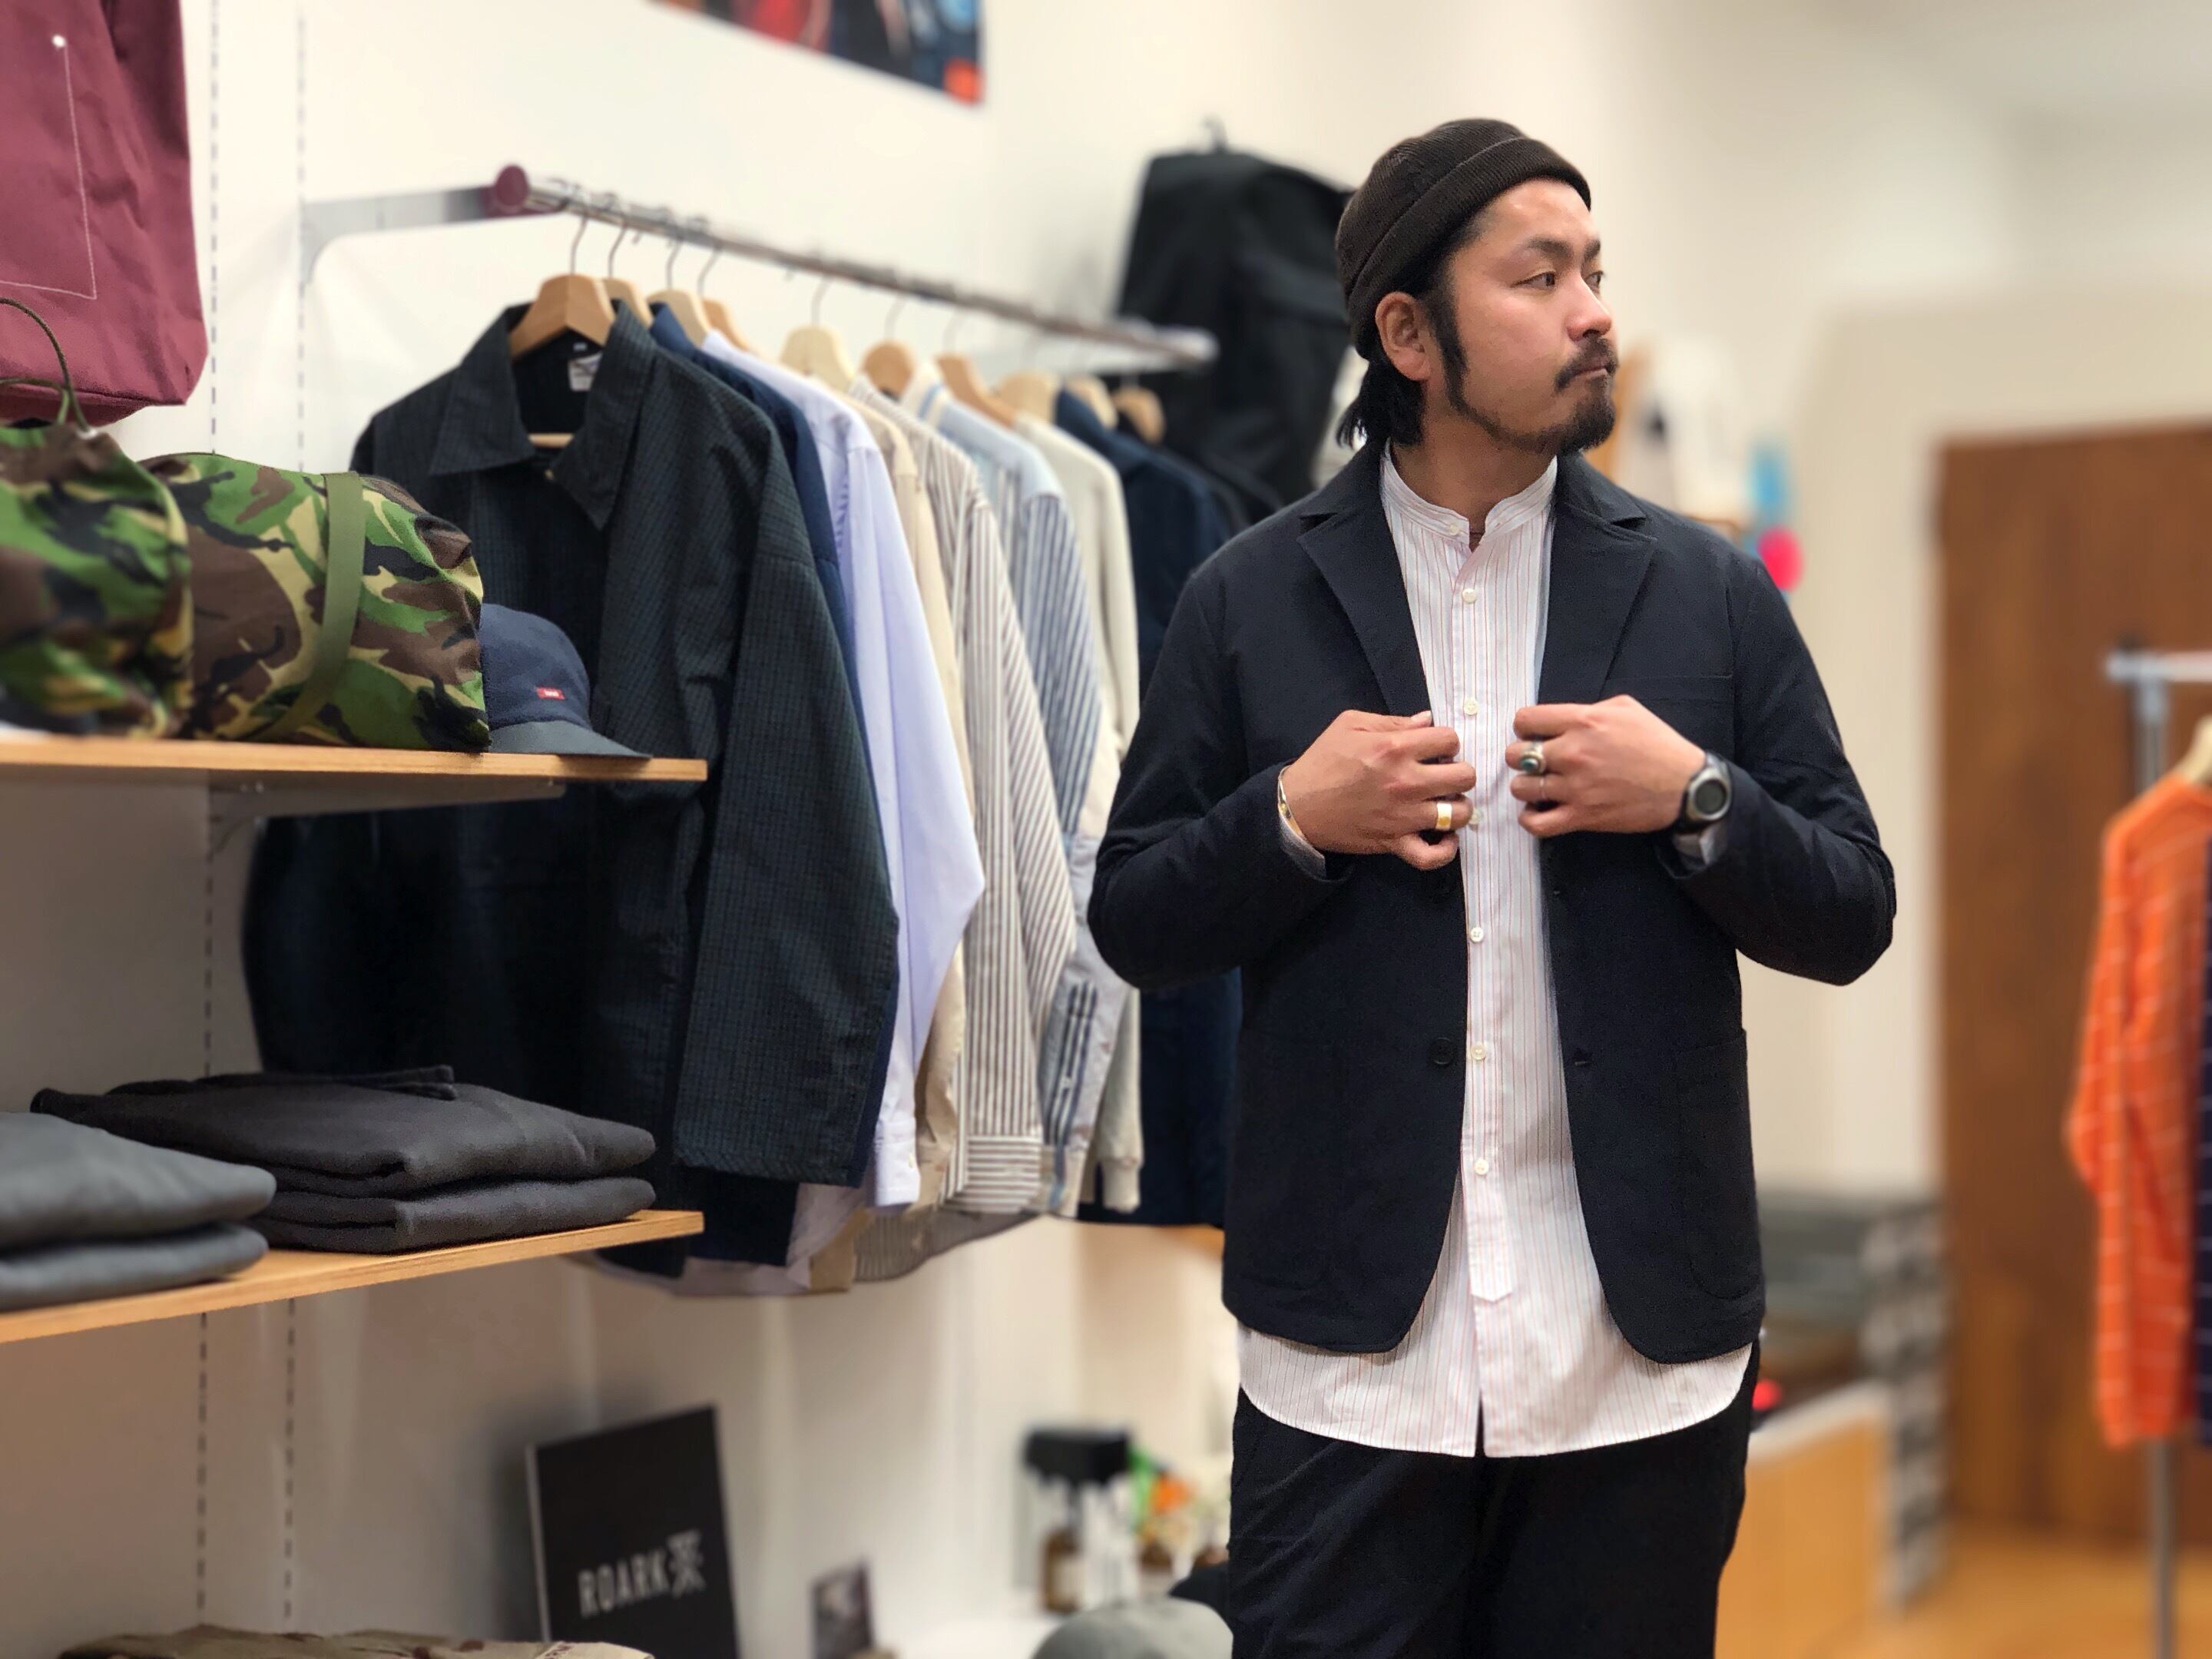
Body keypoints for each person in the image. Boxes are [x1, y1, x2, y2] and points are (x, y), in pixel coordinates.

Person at [1090, 119, 1895, 1657]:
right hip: (1348, 1371)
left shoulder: (1710, 593)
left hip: (1634, 1365)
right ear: (1408, 334)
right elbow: (1133, 919)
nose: (1595, 311)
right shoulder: (1246, 594)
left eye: (1595, 270)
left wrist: (1698, 797)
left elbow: (1853, 908)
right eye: (1541, 278)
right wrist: (1292, 818)